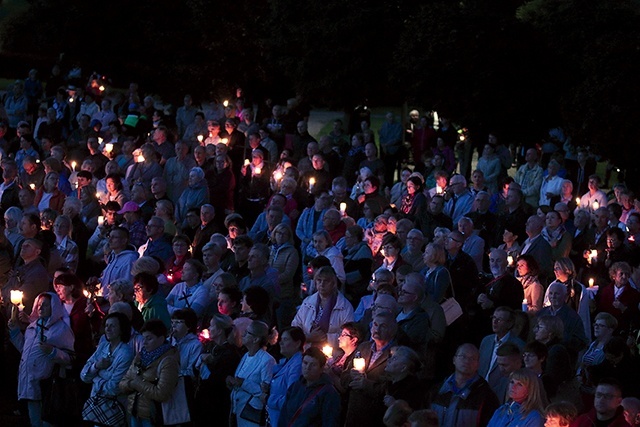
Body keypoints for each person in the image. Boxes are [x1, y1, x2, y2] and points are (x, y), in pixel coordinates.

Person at [8, 292, 74, 427]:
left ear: (54, 307)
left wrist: (53, 352)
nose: (40, 307)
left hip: (48, 386)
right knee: (35, 421)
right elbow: (24, 350)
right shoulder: (32, 327)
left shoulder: (61, 330)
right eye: (39, 304)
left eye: (45, 305)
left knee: (48, 422)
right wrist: (14, 331)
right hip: (30, 382)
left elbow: (70, 358)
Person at [119, 319, 180, 427]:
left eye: (149, 338)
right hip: (135, 412)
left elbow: (161, 393)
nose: (145, 342)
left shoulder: (168, 361)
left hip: (154, 416)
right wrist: (131, 384)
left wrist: (136, 383)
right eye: (144, 338)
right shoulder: (140, 356)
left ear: (161, 339)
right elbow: (123, 383)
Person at [344, 311, 399, 427]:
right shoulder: (363, 347)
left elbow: (392, 389)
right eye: (375, 325)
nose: (377, 330)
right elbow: (344, 377)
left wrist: (366, 384)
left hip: (376, 417)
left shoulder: (396, 355)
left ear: (393, 330)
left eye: (383, 326)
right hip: (353, 414)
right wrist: (351, 376)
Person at [431, 343, 500, 427]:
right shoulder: (436, 391)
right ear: (454, 360)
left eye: (472, 358)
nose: (467, 361)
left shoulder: (486, 396)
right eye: (463, 356)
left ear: (478, 364)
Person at [80, 312, 135, 417]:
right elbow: (84, 375)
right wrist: (96, 366)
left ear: (121, 329)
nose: (108, 329)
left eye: (113, 326)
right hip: (96, 409)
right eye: (106, 326)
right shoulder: (102, 347)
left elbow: (114, 387)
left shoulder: (125, 353)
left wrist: (95, 380)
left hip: (113, 411)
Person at [193, 314, 242, 425]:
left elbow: (217, 379)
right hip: (203, 401)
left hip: (217, 404)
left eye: (212, 326)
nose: (209, 329)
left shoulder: (230, 354)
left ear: (220, 330)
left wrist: (208, 364)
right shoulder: (210, 346)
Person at [227, 320, 276, 427]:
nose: (243, 334)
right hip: (237, 411)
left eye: (247, 332)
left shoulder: (267, 360)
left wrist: (243, 383)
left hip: (251, 416)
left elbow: (265, 392)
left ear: (256, 339)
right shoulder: (246, 355)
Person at [292, 266, 354, 347]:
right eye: (319, 280)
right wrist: (308, 337)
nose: (322, 284)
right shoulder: (307, 302)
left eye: (326, 281)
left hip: (332, 353)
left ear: (333, 283)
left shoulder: (345, 306)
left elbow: (349, 335)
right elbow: (295, 326)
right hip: (307, 351)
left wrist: (325, 337)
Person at [266, 326, 305, 426]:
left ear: (297, 343)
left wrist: (269, 399)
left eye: (286, 339)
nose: (281, 343)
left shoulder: (297, 366)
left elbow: (291, 398)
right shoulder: (286, 363)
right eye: (281, 339)